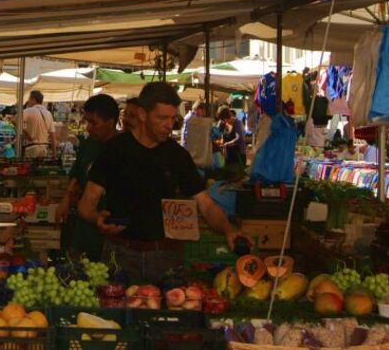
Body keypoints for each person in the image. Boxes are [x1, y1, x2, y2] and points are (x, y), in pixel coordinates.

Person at [78, 82, 241, 283]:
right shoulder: (114, 151)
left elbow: (206, 205)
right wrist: (97, 219)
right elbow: (86, 204)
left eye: (173, 118)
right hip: (120, 254)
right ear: (142, 114)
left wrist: (229, 230)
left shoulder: (177, 155)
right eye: (162, 118)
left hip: (166, 256)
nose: (168, 125)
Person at [57, 94, 120, 260]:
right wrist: (66, 199)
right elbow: (77, 174)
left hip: (110, 227)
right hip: (84, 227)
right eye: (87, 122)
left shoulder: (124, 148)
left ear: (111, 122)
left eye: (94, 123)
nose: (89, 128)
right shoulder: (89, 144)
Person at [22, 90, 55, 157]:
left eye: (29, 99)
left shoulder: (28, 111)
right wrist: (54, 153)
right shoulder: (48, 113)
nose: (28, 101)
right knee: (41, 167)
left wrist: (26, 133)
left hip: (32, 147)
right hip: (44, 148)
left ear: (33, 99)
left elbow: (14, 120)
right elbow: (52, 135)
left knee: (31, 167)